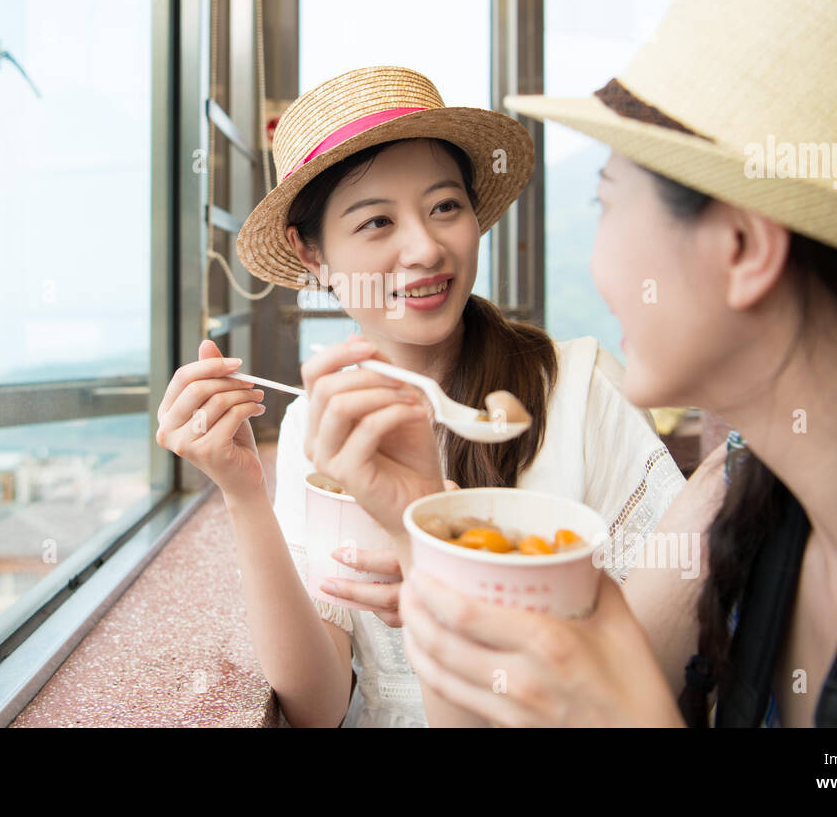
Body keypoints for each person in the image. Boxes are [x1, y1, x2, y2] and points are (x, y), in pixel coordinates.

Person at [312, 0, 837, 726]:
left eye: (607, 201)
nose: (601, 266)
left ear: (742, 246)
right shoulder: (740, 498)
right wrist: (424, 516)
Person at [157, 65, 693, 727]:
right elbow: (319, 705)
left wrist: (457, 588)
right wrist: (242, 490)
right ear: (312, 254)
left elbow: (654, 664)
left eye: (445, 207)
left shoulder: (580, 388)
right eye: (377, 221)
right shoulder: (319, 429)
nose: (425, 247)